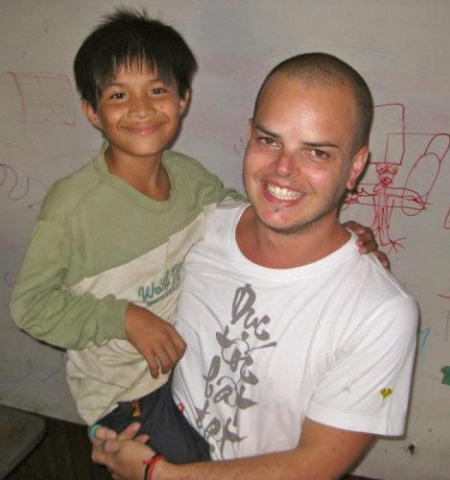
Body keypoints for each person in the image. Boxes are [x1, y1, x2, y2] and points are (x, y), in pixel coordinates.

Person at [9, 8, 383, 451]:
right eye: (117, 96)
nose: (141, 108)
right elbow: (30, 306)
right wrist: (123, 317)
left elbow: (254, 217)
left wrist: (332, 237)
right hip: (127, 397)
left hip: (188, 374)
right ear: (92, 111)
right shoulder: (72, 207)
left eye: (158, 89)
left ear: (183, 99)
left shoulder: (188, 178)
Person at [91, 52, 418, 480]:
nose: (283, 170)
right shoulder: (194, 228)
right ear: (249, 135)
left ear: (355, 167)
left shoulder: (380, 312)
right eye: (269, 140)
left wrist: (158, 474)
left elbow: (315, 465)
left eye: (316, 153)